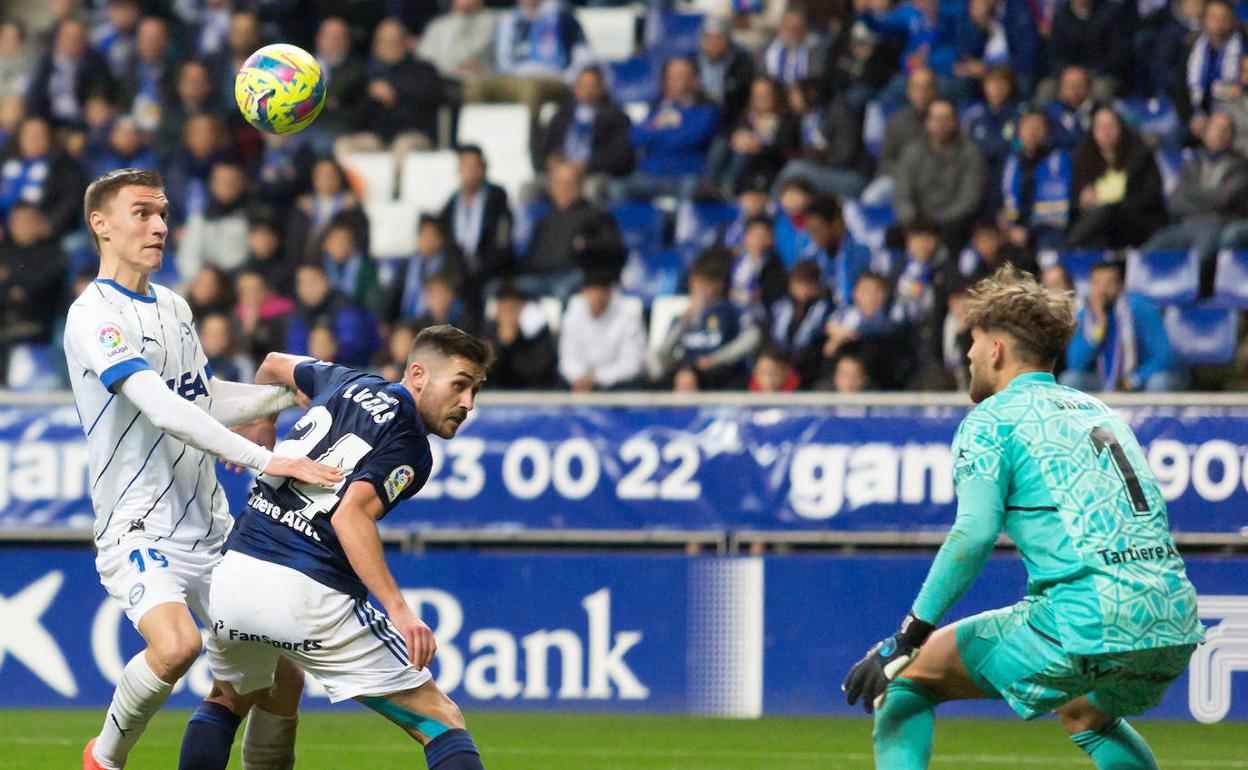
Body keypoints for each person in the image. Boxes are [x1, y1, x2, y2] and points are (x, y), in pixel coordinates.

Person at [843, 265, 1203, 769]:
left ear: (996, 349)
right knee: (1083, 711)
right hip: (1173, 619)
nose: (967, 354)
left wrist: (905, 638)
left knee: (904, 679)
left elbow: (973, 534)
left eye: (973, 341)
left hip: (1087, 619)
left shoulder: (991, 420)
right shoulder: (1100, 411)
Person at [67, 168, 340, 770]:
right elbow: (162, 409)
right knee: (176, 646)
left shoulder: (173, 307)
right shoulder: (94, 317)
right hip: (139, 527)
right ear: (101, 225)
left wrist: (290, 394)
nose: (159, 225)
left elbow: (200, 398)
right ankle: (104, 759)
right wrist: (268, 457)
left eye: (163, 213)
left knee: (280, 682)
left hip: (215, 533)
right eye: (142, 213)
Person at [183, 326, 493, 770]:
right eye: (460, 385)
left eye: (475, 391)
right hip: (309, 590)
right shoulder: (410, 443)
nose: (467, 404)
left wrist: (261, 421)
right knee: (441, 721)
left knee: (235, 694)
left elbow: (271, 361)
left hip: (236, 574)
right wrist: (399, 611)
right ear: (419, 373)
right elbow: (351, 516)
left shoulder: (346, 380)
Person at [1141, 111, 1248, 264]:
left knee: (1201, 257)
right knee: (1146, 253)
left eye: (1225, 130)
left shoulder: (1241, 166)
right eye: (1215, 128)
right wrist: (1209, 199)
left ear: (1232, 137)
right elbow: (1175, 203)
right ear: (1205, 133)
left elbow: (1225, 199)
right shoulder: (1192, 164)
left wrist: (1192, 194)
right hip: (1187, 225)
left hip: (1218, 225)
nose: (1219, 134)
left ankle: (1202, 288)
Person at [610, 58, 720, 202]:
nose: (673, 82)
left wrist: (657, 130)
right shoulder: (658, 109)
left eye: (680, 77)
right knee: (616, 189)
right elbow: (635, 137)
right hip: (649, 174)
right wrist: (665, 126)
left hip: (684, 176)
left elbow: (688, 140)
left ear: (694, 80)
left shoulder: (706, 110)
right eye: (670, 77)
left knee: (692, 192)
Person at [333, 19, 445, 160]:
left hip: (414, 135)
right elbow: (358, 117)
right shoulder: (369, 75)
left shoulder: (423, 71)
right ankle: (351, 183)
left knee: (402, 146)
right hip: (379, 137)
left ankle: (397, 184)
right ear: (376, 46)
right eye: (384, 42)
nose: (389, 47)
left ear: (406, 42)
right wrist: (371, 98)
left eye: (394, 41)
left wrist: (396, 94)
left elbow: (431, 98)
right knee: (343, 145)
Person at [649, 250, 760, 389]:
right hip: (690, 376)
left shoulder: (730, 310)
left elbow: (752, 338)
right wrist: (683, 321)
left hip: (721, 375)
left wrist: (715, 359)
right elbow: (663, 354)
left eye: (704, 283)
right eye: (695, 283)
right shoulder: (683, 318)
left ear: (718, 284)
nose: (698, 289)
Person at [1061, 261, 1178, 392]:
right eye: (1097, 283)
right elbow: (1076, 363)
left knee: (1160, 382)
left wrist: (1134, 379)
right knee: (1069, 380)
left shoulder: (1141, 308)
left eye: (1109, 283)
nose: (1103, 290)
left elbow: (1163, 356)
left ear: (1121, 285)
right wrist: (1100, 324)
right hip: (1102, 380)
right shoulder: (1085, 315)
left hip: (1139, 378)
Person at [1065, 107, 1165, 249]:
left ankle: (1067, 248)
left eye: (1111, 125)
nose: (1105, 132)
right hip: (1099, 227)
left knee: (1107, 212)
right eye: (1100, 126)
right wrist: (1082, 199)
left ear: (1121, 128)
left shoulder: (1141, 156)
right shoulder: (1083, 160)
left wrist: (1116, 208)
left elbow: (1150, 195)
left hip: (1136, 223)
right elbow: (1074, 203)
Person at [894, 98, 987, 248]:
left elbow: (969, 200)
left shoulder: (970, 153)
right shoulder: (913, 151)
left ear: (956, 122)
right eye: (936, 119)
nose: (940, 124)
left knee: (953, 234)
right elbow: (902, 193)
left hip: (953, 222)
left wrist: (936, 221)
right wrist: (913, 220)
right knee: (891, 237)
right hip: (917, 221)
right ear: (927, 122)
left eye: (946, 119)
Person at [438, 145, 514, 316]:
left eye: (475, 166)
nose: (470, 171)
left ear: (483, 169)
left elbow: (503, 243)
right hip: (460, 272)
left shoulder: (497, 199)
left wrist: (481, 266)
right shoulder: (451, 204)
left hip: (490, 271)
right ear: (458, 169)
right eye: (466, 166)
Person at [533, 66, 634, 188]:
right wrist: (550, 160)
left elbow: (620, 158)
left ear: (601, 89)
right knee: (531, 188)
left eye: (591, 86)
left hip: (594, 174)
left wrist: (587, 165)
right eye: (582, 85)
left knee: (592, 189)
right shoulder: (561, 116)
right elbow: (544, 150)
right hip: (560, 172)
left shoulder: (617, 118)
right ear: (574, 88)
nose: (586, 90)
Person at [557, 268, 646, 391]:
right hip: (579, 381)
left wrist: (597, 378)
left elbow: (631, 365)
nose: (597, 297)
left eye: (601, 292)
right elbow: (567, 358)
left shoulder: (629, 315)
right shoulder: (572, 314)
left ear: (610, 292)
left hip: (615, 384)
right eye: (592, 291)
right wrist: (580, 377)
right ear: (584, 292)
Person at [1000, 110, 1072, 251]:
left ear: (1047, 131)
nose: (1032, 132)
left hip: (1048, 229)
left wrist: (1028, 231)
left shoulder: (1059, 160)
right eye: (1027, 126)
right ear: (1019, 131)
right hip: (1012, 229)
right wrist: (1008, 228)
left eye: (1038, 127)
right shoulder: (1010, 162)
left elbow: (1059, 208)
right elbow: (999, 201)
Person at [1184, 0, 1242, 138]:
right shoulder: (1191, 46)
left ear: (1232, 20)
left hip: (1233, 114)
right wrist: (1191, 116)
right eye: (1213, 18)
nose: (1218, 24)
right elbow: (1179, 87)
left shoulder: (1243, 48)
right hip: (1197, 114)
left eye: (1224, 18)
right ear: (1204, 20)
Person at [483, 282, 557, 389]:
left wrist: (515, 341)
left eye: (512, 308)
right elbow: (483, 372)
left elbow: (539, 372)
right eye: (504, 308)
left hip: (531, 394)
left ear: (522, 307)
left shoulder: (538, 331)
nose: (508, 314)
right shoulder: (487, 331)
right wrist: (500, 345)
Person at [697, 18, 755, 133]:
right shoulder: (693, 62)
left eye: (717, 38)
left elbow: (742, 96)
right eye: (708, 38)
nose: (712, 43)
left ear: (727, 41)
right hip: (698, 119)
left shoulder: (740, 62)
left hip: (728, 122)